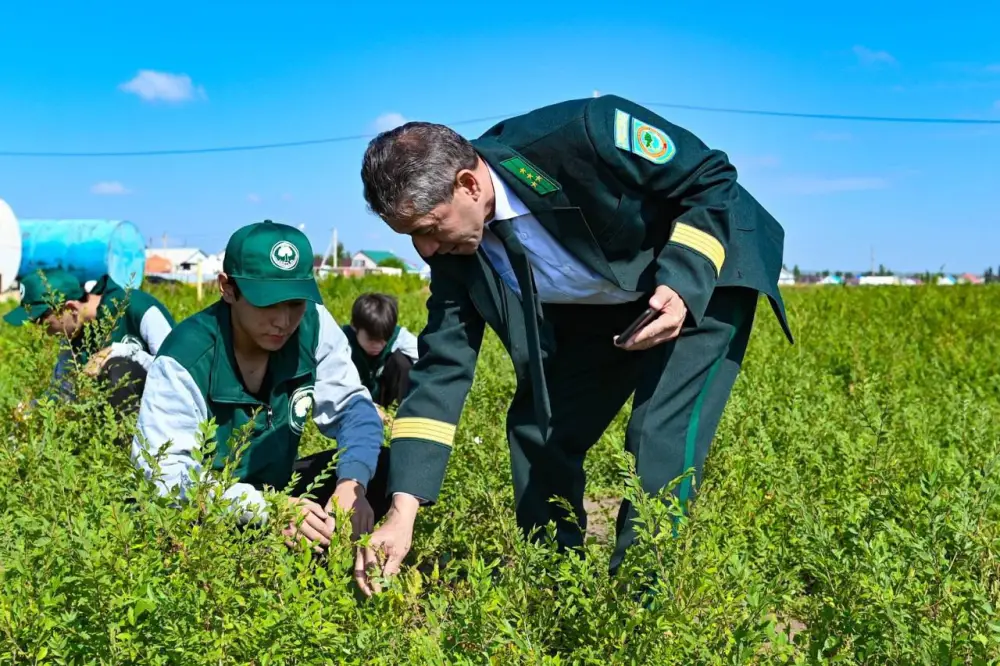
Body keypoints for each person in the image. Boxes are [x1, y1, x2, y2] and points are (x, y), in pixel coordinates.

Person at [357, 94, 794, 589]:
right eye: (411, 236)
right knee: (540, 428)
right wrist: (402, 510)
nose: (426, 249)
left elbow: (712, 179)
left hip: (705, 275)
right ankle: (555, 584)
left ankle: (642, 607)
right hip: (609, 299)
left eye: (429, 228)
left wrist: (681, 284)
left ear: (468, 184)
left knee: (657, 435)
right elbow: (441, 370)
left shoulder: (589, 133)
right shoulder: (457, 253)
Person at [130, 220, 388, 586]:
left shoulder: (313, 326)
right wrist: (266, 511)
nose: (283, 320)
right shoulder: (185, 357)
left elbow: (353, 409)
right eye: (266, 303)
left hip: (279, 493)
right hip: (210, 511)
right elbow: (165, 478)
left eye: (295, 303)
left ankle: (354, 583)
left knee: (381, 468)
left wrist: (352, 484)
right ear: (227, 289)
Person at [4, 267, 175, 415]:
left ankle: (127, 450)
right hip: (104, 428)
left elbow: (176, 369)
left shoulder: (138, 307)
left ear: (70, 308)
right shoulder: (73, 335)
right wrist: (31, 410)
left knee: (117, 368)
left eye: (42, 321)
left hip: (162, 418)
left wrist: (121, 352)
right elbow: (64, 391)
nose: (43, 331)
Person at [341, 292, 419, 419]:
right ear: (354, 326)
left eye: (384, 339)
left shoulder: (398, 336)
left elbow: (427, 359)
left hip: (385, 398)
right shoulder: (342, 340)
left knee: (402, 362)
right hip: (351, 400)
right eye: (371, 339)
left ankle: (402, 415)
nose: (378, 345)